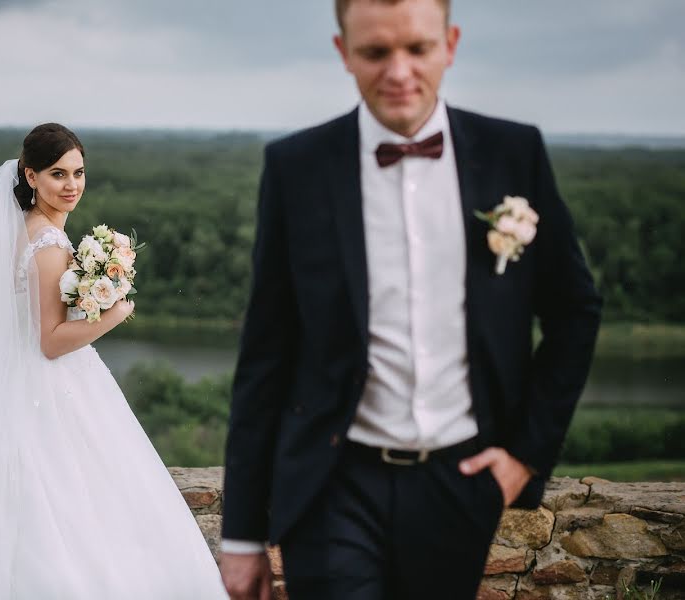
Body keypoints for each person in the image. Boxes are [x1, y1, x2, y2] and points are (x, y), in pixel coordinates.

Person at [220, 1, 602, 599]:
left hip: (459, 482)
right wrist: (241, 536)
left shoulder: (513, 153)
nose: (398, 71)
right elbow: (265, 354)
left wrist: (525, 455)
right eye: (375, 52)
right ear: (344, 52)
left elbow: (575, 310)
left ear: (449, 44)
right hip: (330, 479)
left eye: (417, 49)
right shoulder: (296, 166)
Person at [0, 123, 228, 599]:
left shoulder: (26, 232)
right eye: (57, 174)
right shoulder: (48, 245)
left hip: (15, 386)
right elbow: (50, 341)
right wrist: (116, 311)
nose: (71, 185)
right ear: (30, 177)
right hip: (47, 387)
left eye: (79, 172)